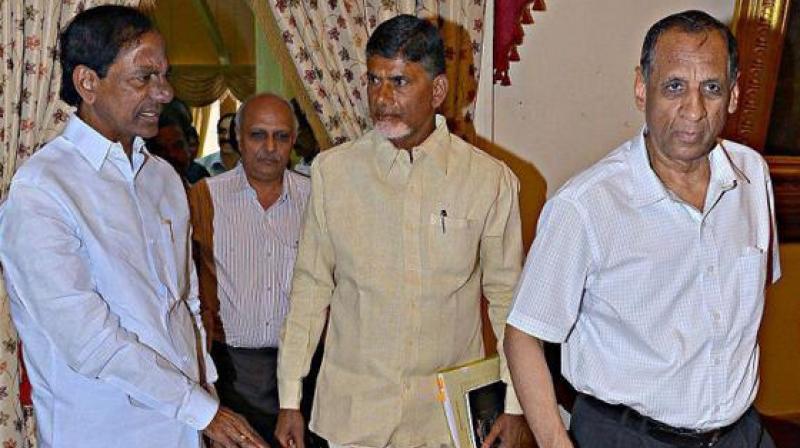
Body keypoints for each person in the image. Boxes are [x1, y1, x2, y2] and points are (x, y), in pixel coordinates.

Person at [504, 10, 780, 448]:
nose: (693, 109)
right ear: (641, 88)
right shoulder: (586, 206)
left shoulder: (752, 177)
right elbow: (523, 335)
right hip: (626, 436)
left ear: (733, 94)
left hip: (739, 433)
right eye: (674, 86)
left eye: (711, 88)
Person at [0, 6, 266, 448]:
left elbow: (187, 307)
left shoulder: (162, 178)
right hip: (104, 433)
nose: (164, 93)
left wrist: (208, 400)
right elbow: (89, 342)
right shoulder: (41, 191)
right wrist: (204, 411)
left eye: (164, 75)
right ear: (88, 82)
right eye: (143, 78)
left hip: (184, 431)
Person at [275, 14, 532, 448]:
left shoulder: (490, 181)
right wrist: (289, 397)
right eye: (374, 81)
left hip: (443, 423)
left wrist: (515, 405)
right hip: (353, 418)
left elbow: (508, 301)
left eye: (399, 82)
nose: (381, 98)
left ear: (436, 91)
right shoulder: (334, 173)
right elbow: (310, 289)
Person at [188, 93, 310, 445]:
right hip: (233, 374)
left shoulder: (316, 198)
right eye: (258, 135)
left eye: (281, 136)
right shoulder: (204, 197)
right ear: (238, 139)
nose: (270, 147)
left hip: (304, 374)